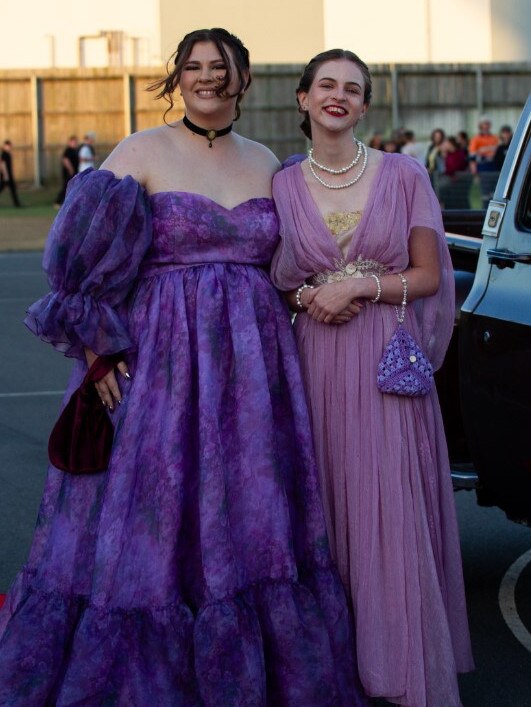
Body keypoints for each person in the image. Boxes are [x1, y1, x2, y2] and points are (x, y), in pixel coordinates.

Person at [0, 29, 366, 705]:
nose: (206, 78)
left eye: (218, 68)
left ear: (242, 78)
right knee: (152, 516)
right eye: (193, 67)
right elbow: (79, 265)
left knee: (247, 517)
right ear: (177, 77)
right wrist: (94, 352)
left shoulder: (269, 164)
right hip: (159, 363)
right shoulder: (140, 150)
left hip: (254, 374)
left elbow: (295, 263)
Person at [271, 49, 474, 706]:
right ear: (302, 99)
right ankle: (332, 668)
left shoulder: (404, 174)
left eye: (351, 89)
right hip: (313, 363)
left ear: (363, 106)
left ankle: (396, 670)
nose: (337, 96)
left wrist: (359, 283)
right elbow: (272, 285)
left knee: (386, 508)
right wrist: (308, 297)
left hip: (384, 361)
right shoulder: (276, 184)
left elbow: (428, 275)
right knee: (324, 507)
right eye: (325, 85)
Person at [468, 116, 498, 208]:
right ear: (480, 126)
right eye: (484, 124)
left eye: (488, 124)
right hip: (483, 166)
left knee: (494, 191)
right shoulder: (476, 139)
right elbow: (472, 156)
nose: (486, 126)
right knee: (485, 191)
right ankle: (485, 210)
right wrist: (473, 168)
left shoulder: (494, 138)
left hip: (493, 166)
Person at [54, 135, 79, 207]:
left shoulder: (74, 151)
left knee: (72, 187)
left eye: (76, 142)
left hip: (74, 172)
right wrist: (70, 169)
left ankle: (68, 202)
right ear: (69, 142)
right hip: (68, 173)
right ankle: (57, 202)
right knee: (65, 187)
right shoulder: (68, 150)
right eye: (74, 142)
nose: (75, 144)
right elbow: (65, 160)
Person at [0, 139, 22, 207]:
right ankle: (17, 204)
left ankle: (17, 204)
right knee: (2, 188)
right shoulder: (4, 154)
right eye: (8, 146)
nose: (9, 147)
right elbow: (2, 164)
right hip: (6, 176)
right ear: (5, 146)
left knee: (13, 190)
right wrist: (6, 175)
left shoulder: (7, 154)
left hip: (9, 175)